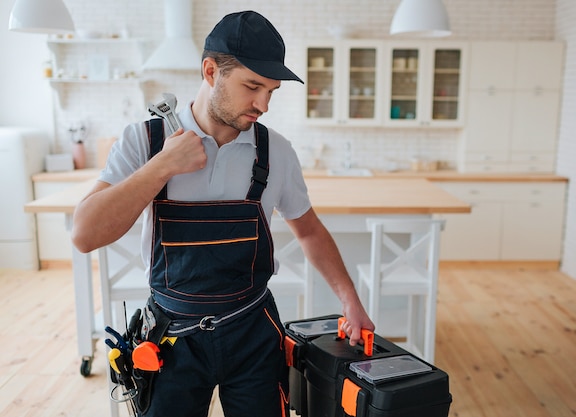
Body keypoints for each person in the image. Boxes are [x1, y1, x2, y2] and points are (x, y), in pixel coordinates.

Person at [72, 9, 374, 417]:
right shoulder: (145, 141)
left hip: (253, 331)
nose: (263, 104)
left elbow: (310, 231)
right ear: (211, 71)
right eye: (253, 86)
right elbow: (85, 234)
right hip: (171, 338)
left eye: (271, 91)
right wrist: (162, 165)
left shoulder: (276, 152)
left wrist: (350, 298)